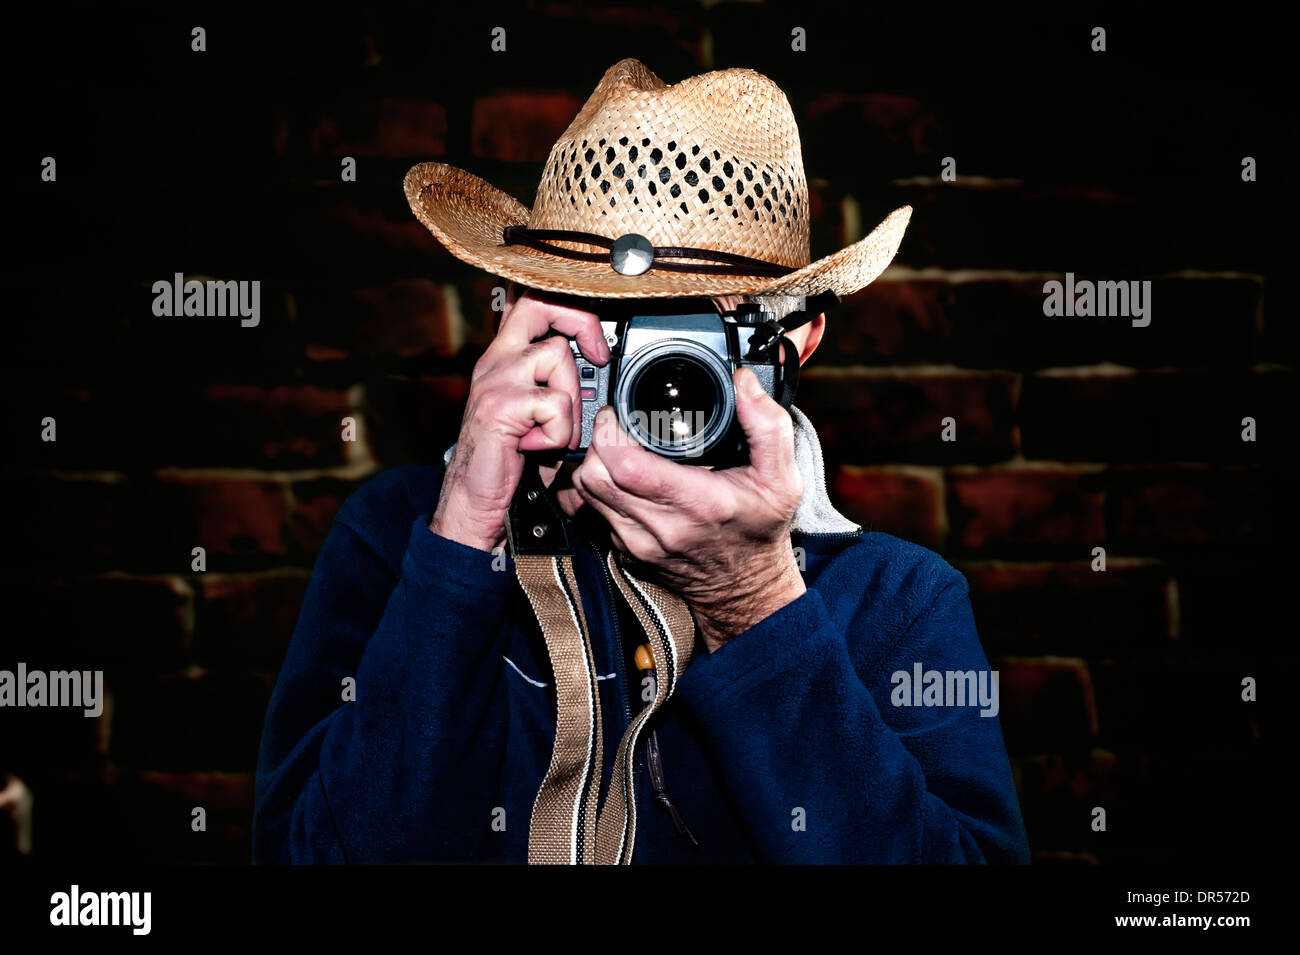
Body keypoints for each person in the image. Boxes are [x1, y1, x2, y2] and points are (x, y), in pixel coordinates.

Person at [253, 58, 1029, 864]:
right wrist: (458, 544)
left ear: (794, 344)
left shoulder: (897, 601)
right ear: (520, 313)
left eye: (687, 335)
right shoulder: (396, 541)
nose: (644, 382)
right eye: (602, 325)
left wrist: (756, 608)